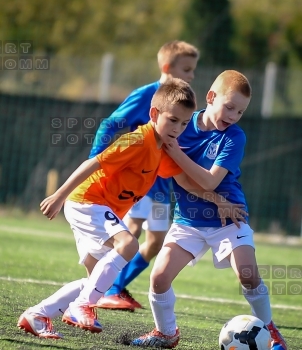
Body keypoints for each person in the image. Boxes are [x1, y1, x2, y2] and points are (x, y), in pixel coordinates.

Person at [16, 78, 199, 339]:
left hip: (93, 207)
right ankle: (82, 306)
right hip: (87, 201)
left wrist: (220, 202)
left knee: (95, 282)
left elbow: (184, 181)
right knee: (129, 244)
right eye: (172, 120)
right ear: (154, 114)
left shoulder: (164, 149)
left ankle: (37, 315)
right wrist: (58, 195)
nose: (178, 129)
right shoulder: (138, 141)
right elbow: (94, 163)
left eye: (184, 123)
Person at [131, 70, 287, 350]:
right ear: (211, 97)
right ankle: (166, 333)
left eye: (240, 111)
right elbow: (180, 179)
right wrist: (214, 199)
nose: (233, 115)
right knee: (159, 277)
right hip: (188, 219)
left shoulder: (234, 137)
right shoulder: (180, 124)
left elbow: (209, 179)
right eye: (229, 107)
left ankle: (271, 331)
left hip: (230, 216)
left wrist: (176, 153)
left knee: (248, 274)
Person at [90, 40, 200, 311]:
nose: (191, 75)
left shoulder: (184, 103)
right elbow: (110, 124)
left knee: (155, 242)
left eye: (193, 70)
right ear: (167, 67)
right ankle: (107, 288)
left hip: (161, 185)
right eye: (187, 69)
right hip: (140, 181)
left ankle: (116, 285)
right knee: (134, 229)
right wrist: (96, 158)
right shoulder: (148, 94)